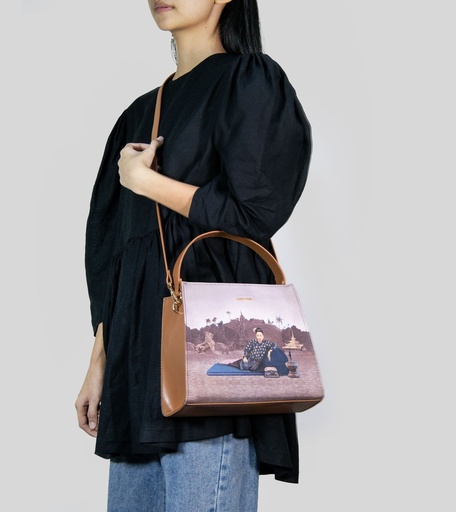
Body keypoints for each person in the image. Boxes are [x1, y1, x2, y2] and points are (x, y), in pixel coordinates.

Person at [75, 1, 312, 510]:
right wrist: (99, 362)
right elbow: (111, 249)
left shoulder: (249, 80)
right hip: (137, 366)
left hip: (216, 355)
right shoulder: (139, 113)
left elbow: (255, 211)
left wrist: (148, 183)